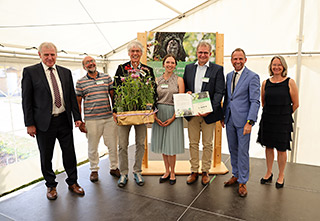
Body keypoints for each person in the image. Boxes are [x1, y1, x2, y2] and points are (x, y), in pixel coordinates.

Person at [21, 42, 85, 200]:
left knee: (69, 153)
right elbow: (26, 100)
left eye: (52, 54)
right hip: (43, 123)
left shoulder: (65, 72)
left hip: (63, 120)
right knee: (46, 156)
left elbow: (71, 97)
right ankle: (51, 185)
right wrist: (29, 124)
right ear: (40, 55)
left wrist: (77, 118)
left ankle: (73, 182)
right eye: (46, 55)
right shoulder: (30, 72)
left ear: (56, 55)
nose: (50, 58)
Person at [113, 40, 156, 188]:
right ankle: (124, 173)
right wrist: (115, 111)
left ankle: (137, 171)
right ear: (129, 53)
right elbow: (115, 91)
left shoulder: (148, 70)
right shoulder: (121, 69)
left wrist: (152, 109)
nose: (135, 54)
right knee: (122, 145)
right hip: (125, 113)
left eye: (138, 51)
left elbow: (153, 91)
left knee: (140, 143)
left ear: (142, 53)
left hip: (142, 113)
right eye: (133, 51)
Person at [183, 41, 225, 185]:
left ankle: (205, 171)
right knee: (193, 143)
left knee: (207, 144)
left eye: (205, 53)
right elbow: (185, 89)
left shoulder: (217, 69)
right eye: (200, 52)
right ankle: (194, 170)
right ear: (196, 53)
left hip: (209, 114)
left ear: (210, 54)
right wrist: (187, 93)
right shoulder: (188, 68)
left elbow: (220, 92)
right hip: (193, 114)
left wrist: (209, 109)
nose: (202, 55)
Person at [222, 48, 260, 197]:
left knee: (243, 151)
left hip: (244, 121)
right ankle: (236, 174)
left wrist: (250, 122)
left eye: (240, 59)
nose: (237, 61)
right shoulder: (229, 75)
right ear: (231, 60)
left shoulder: (252, 77)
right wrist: (224, 116)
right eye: (235, 59)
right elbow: (228, 98)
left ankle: (243, 181)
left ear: (245, 60)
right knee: (233, 149)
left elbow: (255, 101)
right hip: (230, 119)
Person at [76, 56, 120, 183]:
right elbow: (78, 102)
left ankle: (114, 167)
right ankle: (94, 170)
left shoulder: (106, 78)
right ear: (84, 67)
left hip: (108, 118)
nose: (91, 63)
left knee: (112, 145)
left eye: (92, 61)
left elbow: (113, 96)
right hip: (91, 120)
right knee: (92, 146)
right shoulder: (80, 82)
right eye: (87, 63)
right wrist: (80, 121)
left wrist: (115, 112)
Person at [257, 56, 299, 188]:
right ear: (270, 67)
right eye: (274, 65)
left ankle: (281, 175)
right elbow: (263, 102)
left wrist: (284, 114)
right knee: (268, 147)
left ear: (284, 67)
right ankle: (268, 172)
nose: (276, 67)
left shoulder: (289, 82)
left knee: (281, 149)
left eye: (279, 65)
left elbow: (296, 104)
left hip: (283, 121)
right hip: (268, 119)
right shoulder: (265, 83)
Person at [150, 54, 185, 185]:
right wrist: (154, 115)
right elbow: (153, 99)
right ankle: (166, 170)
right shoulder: (157, 80)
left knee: (171, 145)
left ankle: (173, 172)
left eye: (172, 62)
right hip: (159, 113)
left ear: (175, 65)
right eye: (167, 62)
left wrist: (173, 117)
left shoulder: (179, 80)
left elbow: (181, 101)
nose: (170, 65)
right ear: (163, 64)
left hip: (173, 114)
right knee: (163, 145)